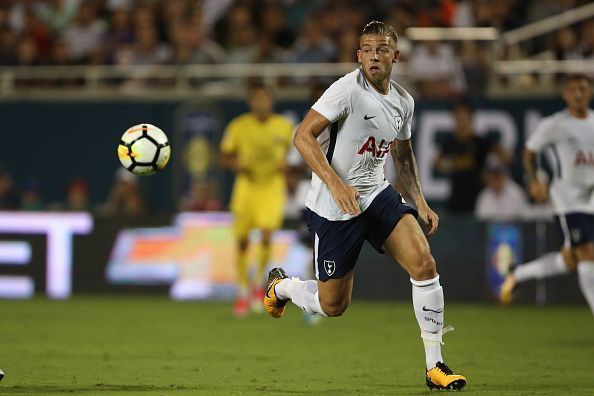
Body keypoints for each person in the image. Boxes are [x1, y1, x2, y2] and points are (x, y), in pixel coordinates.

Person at [263, 21, 466, 390]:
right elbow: (302, 136)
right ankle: (283, 287)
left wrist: (419, 200)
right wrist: (336, 184)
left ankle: (435, 366)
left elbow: (402, 157)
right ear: (359, 55)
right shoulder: (346, 90)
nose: (374, 56)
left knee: (424, 264)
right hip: (335, 205)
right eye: (367, 50)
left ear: (395, 55)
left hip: (376, 193)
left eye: (382, 49)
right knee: (333, 305)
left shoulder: (404, 101)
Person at [499, 74, 594, 315]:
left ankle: (518, 274)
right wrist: (534, 180)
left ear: (590, 91)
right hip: (568, 199)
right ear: (565, 94)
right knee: (586, 253)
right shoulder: (555, 124)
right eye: (573, 90)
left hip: (592, 198)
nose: (578, 94)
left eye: (582, 89)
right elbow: (529, 152)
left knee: (571, 259)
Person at [220, 83, 293, 317]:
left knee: (266, 234)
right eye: (257, 99)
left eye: (265, 99)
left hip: (271, 187)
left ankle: (257, 286)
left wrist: (289, 165)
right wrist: (234, 164)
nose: (261, 103)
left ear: (271, 101)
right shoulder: (239, 126)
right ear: (251, 102)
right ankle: (242, 291)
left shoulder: (284, 126)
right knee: (242, 241)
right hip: (246, 187)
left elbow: (298, 155)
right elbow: (224, 155)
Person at [435, 101, 510, 214]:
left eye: (463, 117)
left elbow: (506, 157)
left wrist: (490, 173)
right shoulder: (451, 143)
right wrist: (447, 165)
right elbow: (437, 162)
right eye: (457, 117)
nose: (460, 121)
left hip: (477, 197)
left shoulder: (480, 142)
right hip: (456, 196)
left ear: (470, 117)